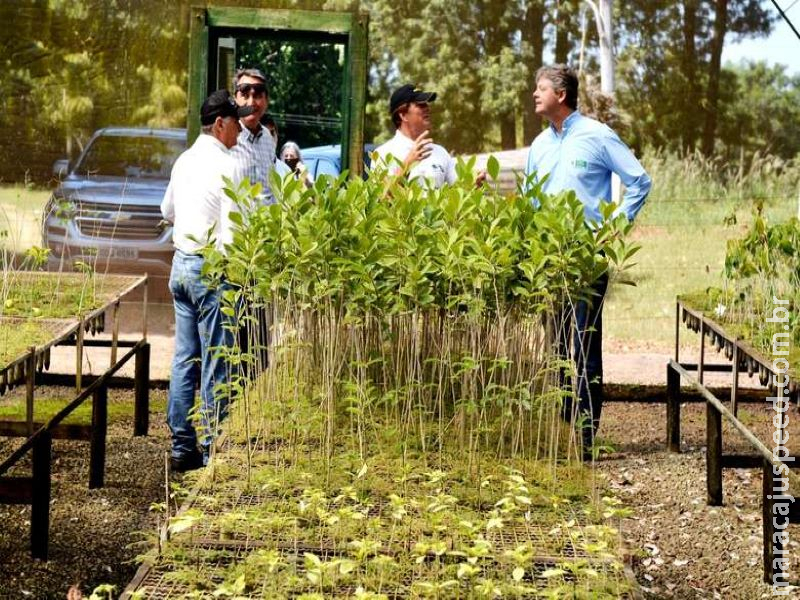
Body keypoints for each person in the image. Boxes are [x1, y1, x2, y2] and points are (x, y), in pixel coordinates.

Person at [525, 64, 651, 460]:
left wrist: (613, 230)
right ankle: (562, 430)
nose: (534, 94)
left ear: (561, 94)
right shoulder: (538, 146)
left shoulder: (597, 136)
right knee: (556, 348)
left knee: (584, 345)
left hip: (585, 259)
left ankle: (584, 436)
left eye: (540, 88)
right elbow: (531, 203)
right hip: (549, 261)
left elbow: (639, 181)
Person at [160, 89, 253, 472]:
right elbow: (234, 231)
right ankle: (214, 446)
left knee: (185, 358)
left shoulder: (184, 160)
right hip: (212, 268)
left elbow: (166, 210)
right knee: (218, 359)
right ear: (220, 124)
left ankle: (182, 446)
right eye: (236, 123)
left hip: (181, 266)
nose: (241, 132)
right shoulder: (229, 165)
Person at [374, 84, 485, 188]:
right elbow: (381, 200)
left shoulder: (441, 152)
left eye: (426, 104)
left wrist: (474, 183)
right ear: (403, 115)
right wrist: (407, 163)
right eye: (420, 104)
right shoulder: (382, 154)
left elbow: (460, 192)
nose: (427, 108)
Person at [230, 68, 276, 203]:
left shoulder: (268, 138)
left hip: (266, 221)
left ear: (266, 101)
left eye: (257, 95)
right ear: (235, 99)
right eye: (245, 95)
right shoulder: (227, 137)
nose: (251, 103)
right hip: (237, 221)